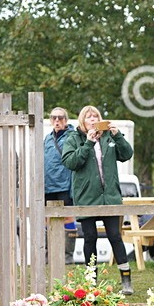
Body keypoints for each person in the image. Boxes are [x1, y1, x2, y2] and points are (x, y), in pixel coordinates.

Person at [61, 106, 136, 295]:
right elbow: (70, 163)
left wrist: (118, 136)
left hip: (109, 197)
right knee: (90, 237)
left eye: (95, 116)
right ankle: (91, 281)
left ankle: (126, 280)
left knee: (115, 236)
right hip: (87, 196)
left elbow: (127, 154)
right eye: (89, 117)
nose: (93, 119)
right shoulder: (74, 138)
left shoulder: (108, 137)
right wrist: (88, 143)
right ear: (82, 121)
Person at [44, 107, 78, 264]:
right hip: (48, 185)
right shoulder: (47, 138)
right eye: (54, 117)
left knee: (68, 217)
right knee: (47, 219)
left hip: (65, 184)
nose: (57, 120)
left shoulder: (73, 136)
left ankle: (67, 256)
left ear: (66, 120)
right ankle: (49, 255)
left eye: (60, 117)